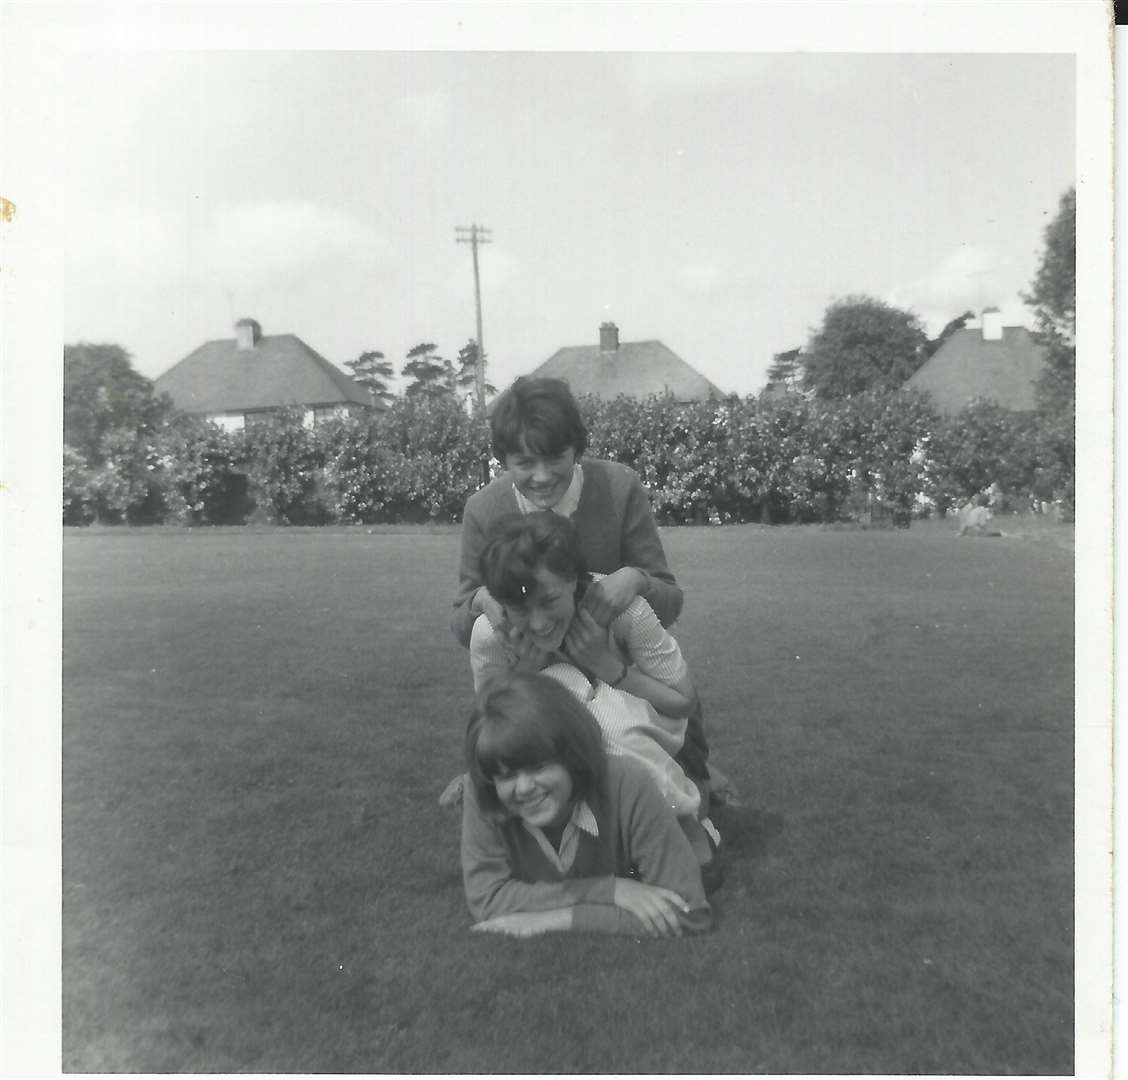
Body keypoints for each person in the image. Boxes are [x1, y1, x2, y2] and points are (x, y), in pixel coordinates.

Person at [448, 375, 710, 779]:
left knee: (672, 781)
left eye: (554, 457)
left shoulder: (618, 487)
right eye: (524, 463)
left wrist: (636, 579)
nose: (541, 476)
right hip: (543, 684)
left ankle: (692, 771)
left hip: (628, 680)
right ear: (504, 461)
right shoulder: (484, 509)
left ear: (577, 448)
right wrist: (483, 598)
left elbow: (670, 602)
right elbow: (465, 625)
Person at [470, 510, 710, 830]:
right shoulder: (492, 634)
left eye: (549, 600)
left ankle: (679, 823)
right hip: (554, 750)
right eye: (519, 609)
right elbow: (491, 725)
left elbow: (683, 703)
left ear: (572, 579)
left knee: (609, 730)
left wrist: (611, 669)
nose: (538, 623)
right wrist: (527, 674)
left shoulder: (623, 610)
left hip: (652, 736)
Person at [462, 671, 713, 938]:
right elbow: (487, 899)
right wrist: (611, 891)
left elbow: (689, 913)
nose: (523, 788)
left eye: (537, 767)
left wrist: (551, 920)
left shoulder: (628, 783)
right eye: (507, 775)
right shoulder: (482, 788)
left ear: (572, 756)